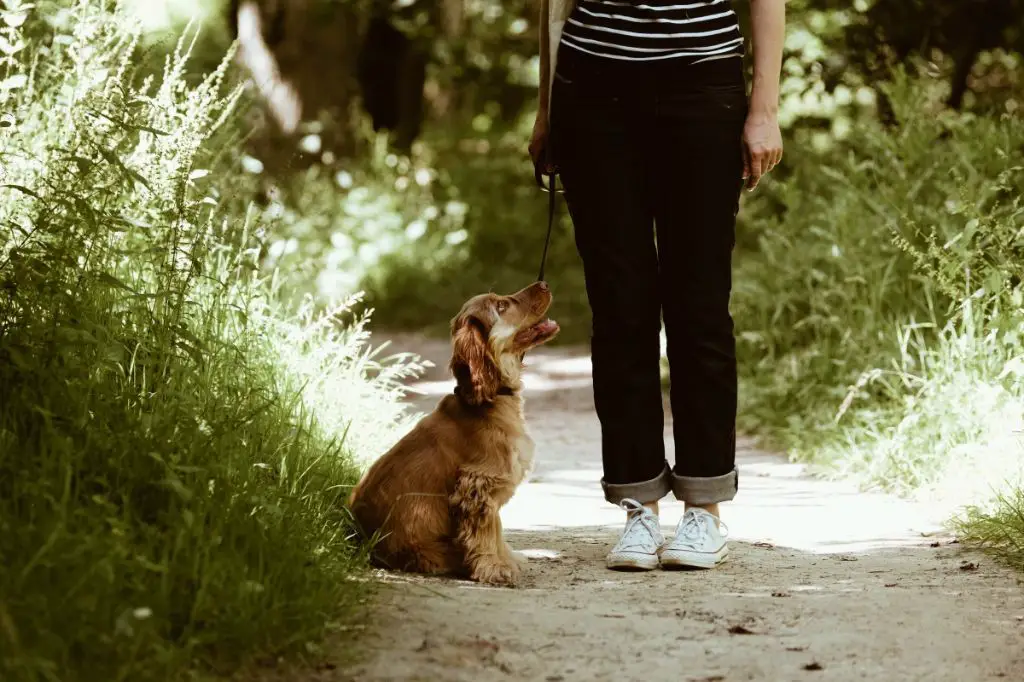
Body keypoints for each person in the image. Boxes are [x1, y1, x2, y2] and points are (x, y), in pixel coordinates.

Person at [530, 0, 784, 571]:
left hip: (702, 88)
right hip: (591, 90)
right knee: (620, 308)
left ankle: (704, 508)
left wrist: (763, 109)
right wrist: (547, 110)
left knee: (698, 307)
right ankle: (637, 504)